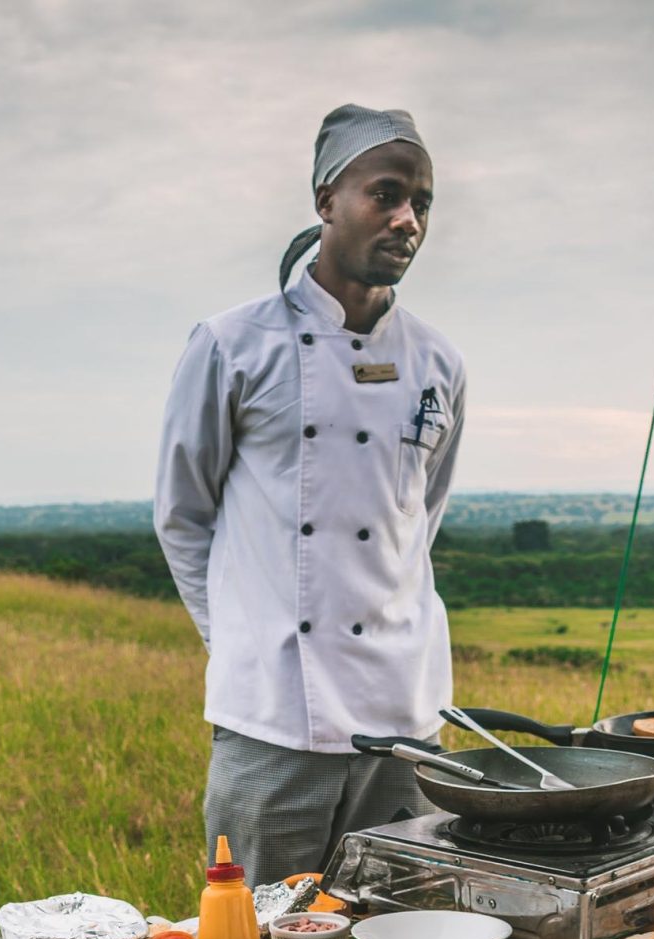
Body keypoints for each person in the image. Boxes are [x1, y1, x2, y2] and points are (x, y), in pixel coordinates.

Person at [154, 104, 466, 886]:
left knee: (401, 932)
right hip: (273, 722)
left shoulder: (439, 362)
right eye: (386, 194)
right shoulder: (232, 345)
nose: (407, 220)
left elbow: (418, 522)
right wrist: (239, 640)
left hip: (405, 720)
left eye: (421, 203)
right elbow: (183, 517)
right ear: (327, 199)